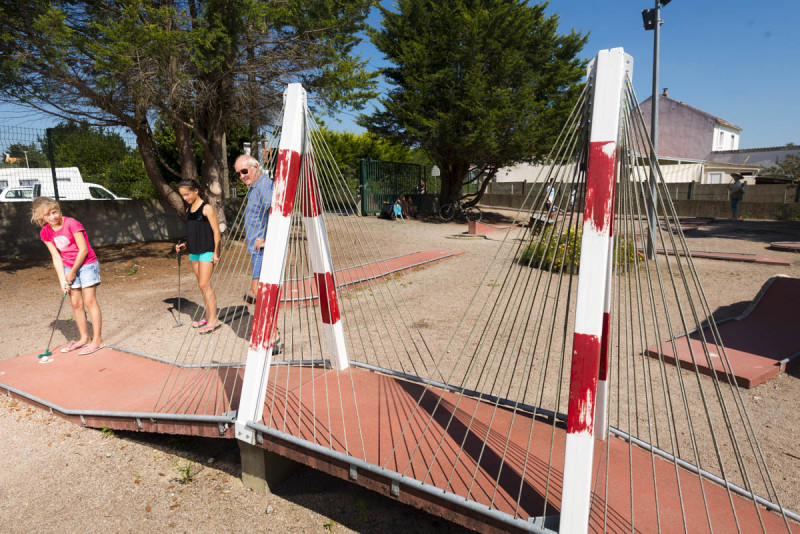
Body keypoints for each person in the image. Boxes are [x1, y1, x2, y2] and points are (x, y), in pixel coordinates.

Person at [31, 196, 103, 356]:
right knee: (76, 304)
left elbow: (83, 250)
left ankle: (97, 340)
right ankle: (84, 338)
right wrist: (62, 279)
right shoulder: (45, 232)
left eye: (54, 212)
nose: (53, 217)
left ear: (59, 209)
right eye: (48, 215)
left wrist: (72, 272)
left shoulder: (72, 223)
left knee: (89, 301)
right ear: (41, 218)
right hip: (68, 267)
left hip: (87, 264)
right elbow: (56, 257)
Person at [174, 179, 221, 334]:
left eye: (187, 194)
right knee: (202, 287)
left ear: (196, 191)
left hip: (207, 250)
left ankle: (214, 320)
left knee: (204, 284)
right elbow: (194, 233)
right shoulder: (188, 211)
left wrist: (216, 253)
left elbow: (216, 232)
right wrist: (184, 245)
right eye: (182, 196)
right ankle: (208, 317)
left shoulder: (206, 208)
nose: (185, 198)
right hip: (194, 251)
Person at [234, 154, 273, 303]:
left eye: (244, 171)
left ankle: (255, 290)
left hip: (261, 246)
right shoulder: (254, 186)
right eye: (238, 174)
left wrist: (267, 239)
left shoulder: (263, 184)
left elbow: (273, 211)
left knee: (259, 292)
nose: (241, 176)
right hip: (257, 246)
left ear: (256, 166)